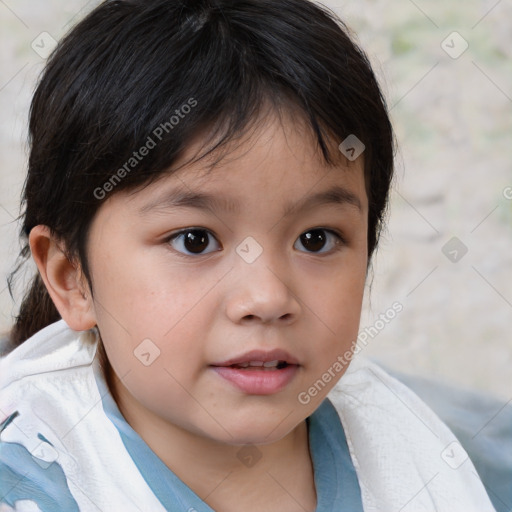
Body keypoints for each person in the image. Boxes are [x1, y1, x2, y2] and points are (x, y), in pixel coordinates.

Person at [0, 0, 497, 510]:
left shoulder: (407, 447)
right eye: (194, 239)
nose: (267, 297)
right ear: (72, 277)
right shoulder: (33, 486)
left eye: (316, 238)